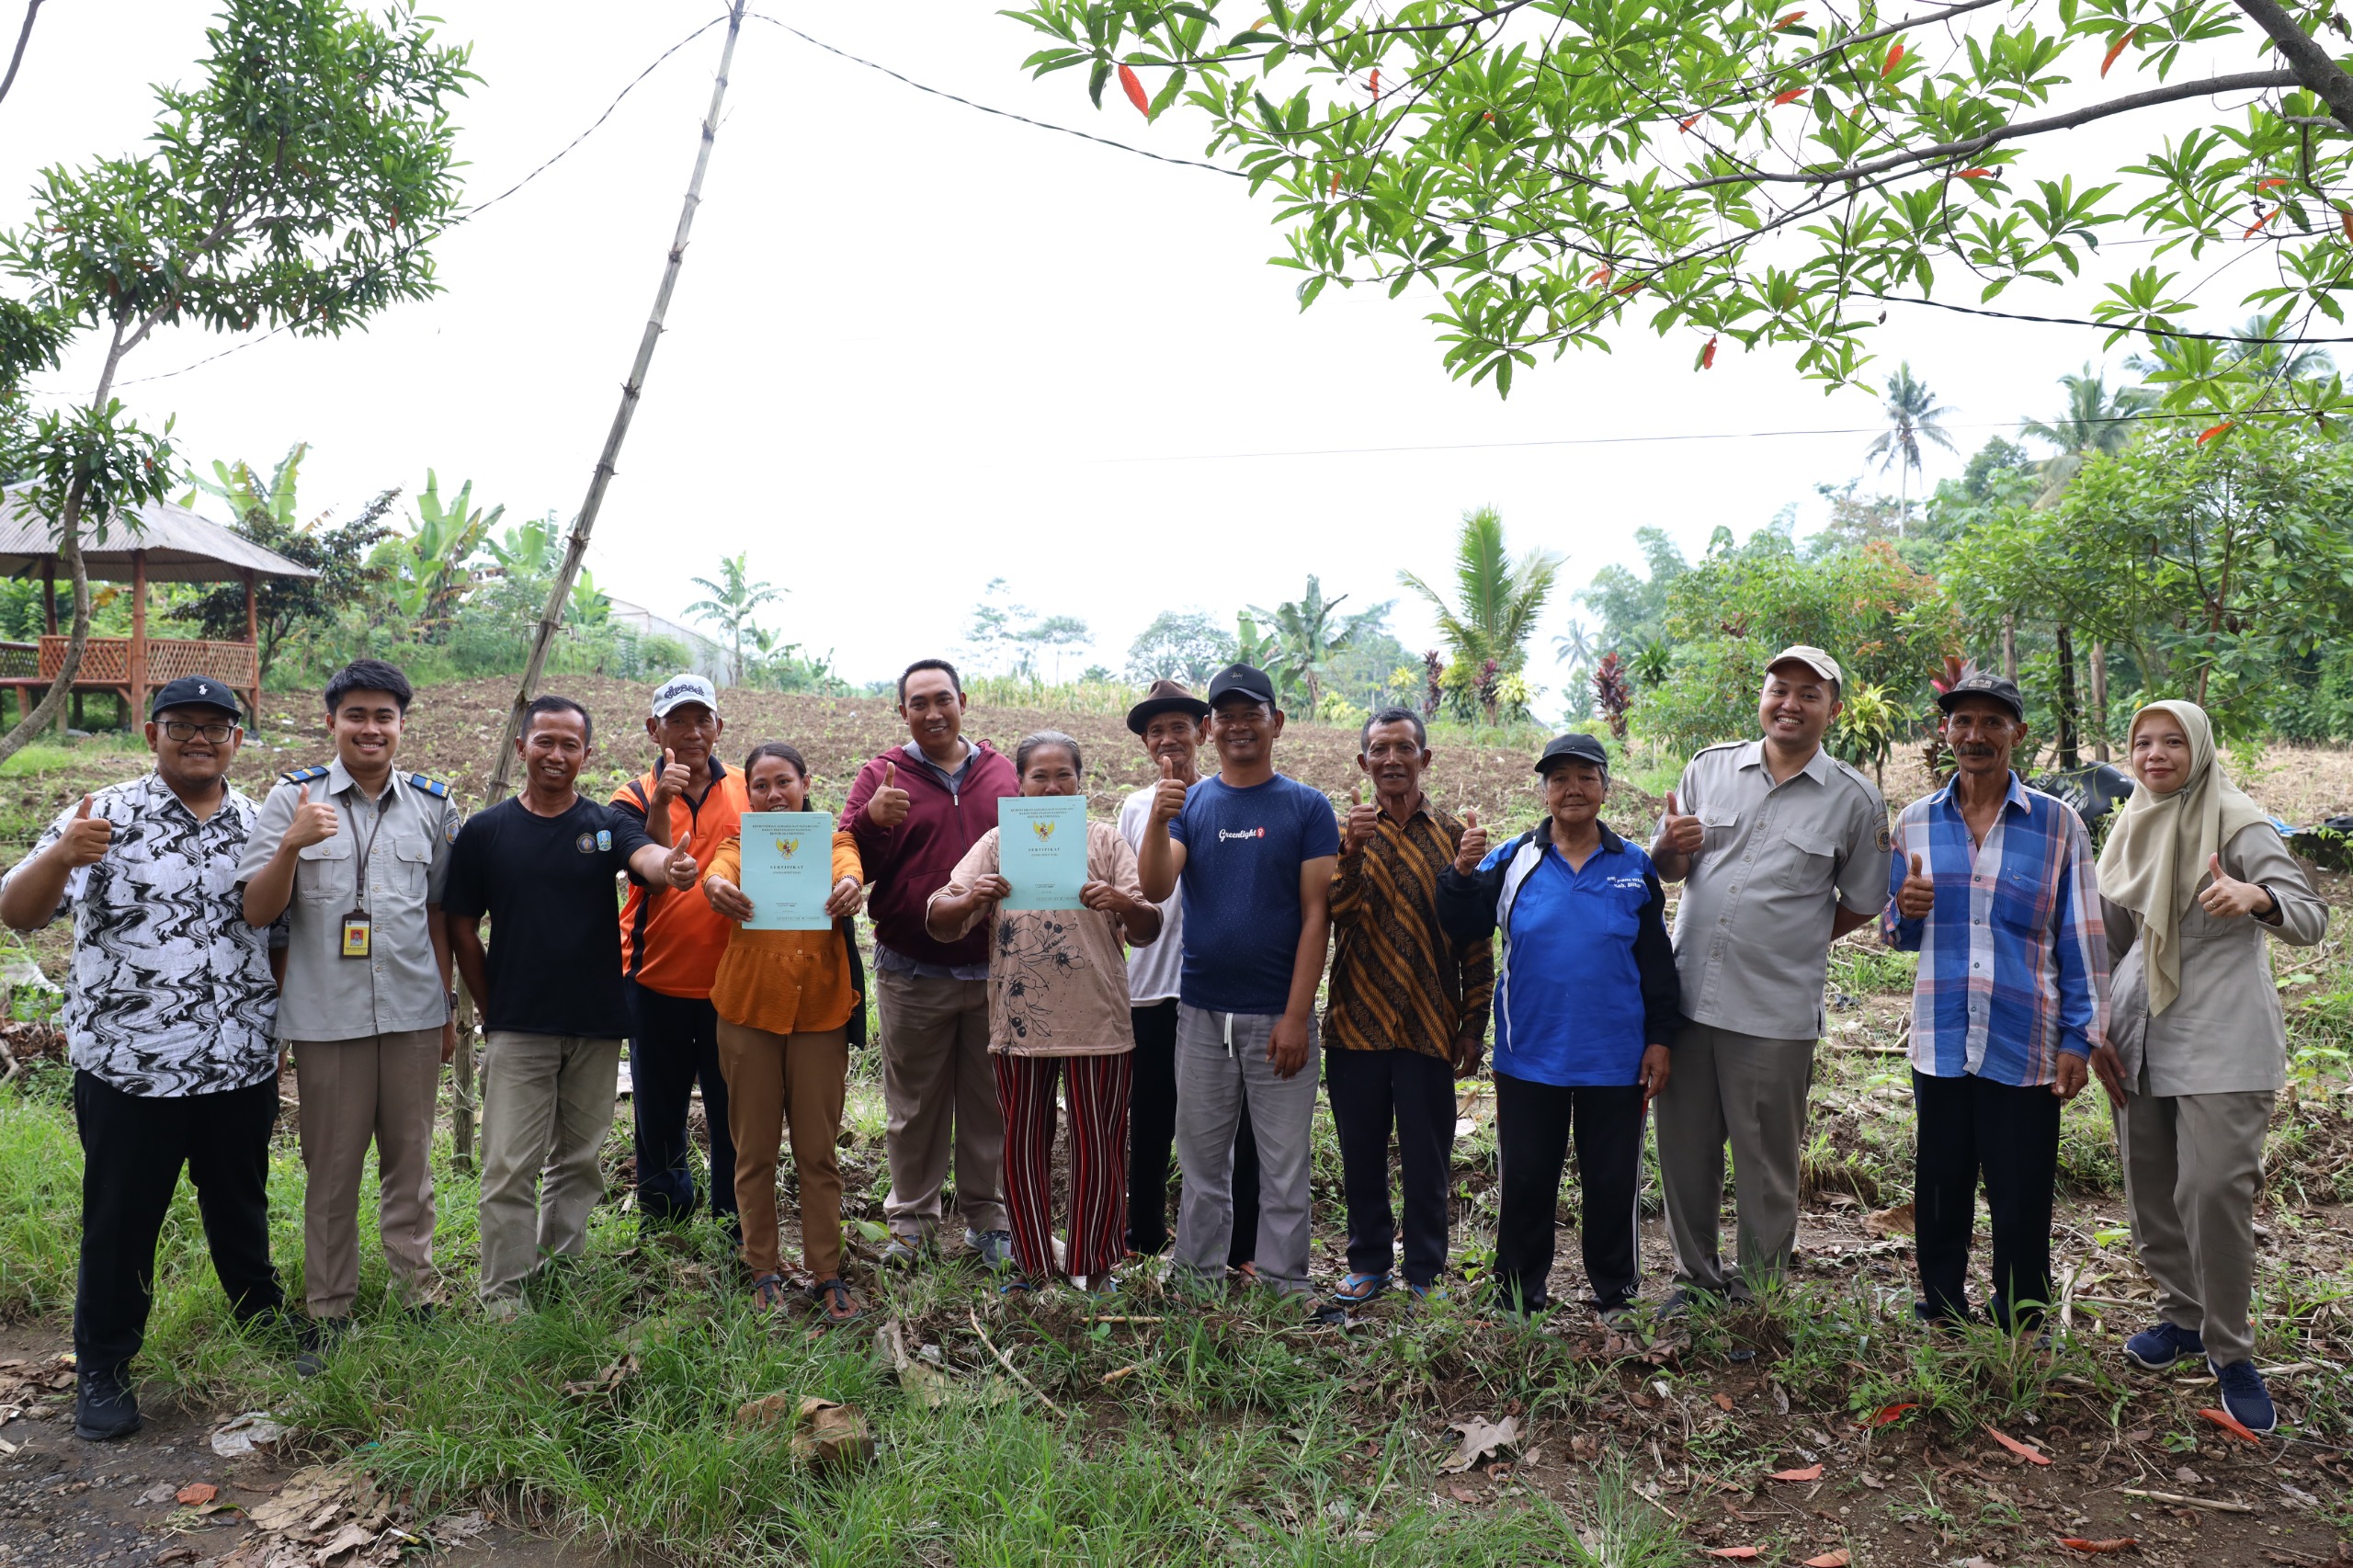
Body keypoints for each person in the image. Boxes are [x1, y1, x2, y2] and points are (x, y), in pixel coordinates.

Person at [0, 678, 286, 1440]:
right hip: (133, 1067)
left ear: (236, 739)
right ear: (152, 733)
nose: (200, 740)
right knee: (121, 1222)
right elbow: (17, 911)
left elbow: (279, 935)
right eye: (182, 726)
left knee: (241, 1204)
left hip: (237, 1060)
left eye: (216, 728)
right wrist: (61, 856)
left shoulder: (260, 822)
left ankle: (262, 1320)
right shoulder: (103, 814)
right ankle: (104, 1365)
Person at [2093, 700, 2328, 1432]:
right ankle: (2182, 1317)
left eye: (2172, 741)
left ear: (2199, 748)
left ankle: (2231, 1350)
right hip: (2138, 1028)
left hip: (2222, 1030)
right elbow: (2113, 941)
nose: (2155, 754)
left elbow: (2311, 916)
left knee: (2213, 1188)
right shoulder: (2130, 825)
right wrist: (2095, 1023)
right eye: (2142, 742)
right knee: (2151, 1187)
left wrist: (2258, 896)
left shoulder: (2239, 822)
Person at [236, 659, 460, 1375]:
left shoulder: (431, 805)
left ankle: (418, 1293)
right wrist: (292, 844)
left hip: (413, 1013)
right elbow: (257, 911)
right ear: (331, 721)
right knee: (331, 1170)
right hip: (327, 1018)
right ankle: (328, 1308)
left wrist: (447, 1007)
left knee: (411, 1163)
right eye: (356, 715)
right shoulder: (292, 798)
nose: (370, 728)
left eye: (383, 716)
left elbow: (439, 915)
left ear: (401, 724)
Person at [1649, 646, 1890, 1310]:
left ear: (1832, 711)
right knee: (1685, 1152)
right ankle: (1696, 1280)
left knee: (1765, 1164)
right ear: (1762, 697)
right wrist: (1668, 845)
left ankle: (1757, 1294)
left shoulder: (1855, 800)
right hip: (1688, 999)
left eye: (1809, 695)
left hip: (1773, 1011)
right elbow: (1668, 868)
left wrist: (1797, 933)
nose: (1790, 704)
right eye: (1780, 689)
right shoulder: (1709, 768)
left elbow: (1864, 900)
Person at [443, 696, 691, 1313]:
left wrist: (671, 863)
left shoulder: (603, 825)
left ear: (587, 754)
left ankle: (558, 1276)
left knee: (578, 1162)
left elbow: (647, 860)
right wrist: (492, 1005)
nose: (556, 755)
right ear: (522, 746)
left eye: (570, 745)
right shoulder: (486, 831)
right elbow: (462, 927)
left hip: (596, 1023)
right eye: (545, 742)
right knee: (509, 1165)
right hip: (518, 1024)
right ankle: (504, 1293)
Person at [1885, 667, 2106, 1335]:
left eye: (1991, 722)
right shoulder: (1914, 822)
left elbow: (2082, 938)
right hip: (1942, 1037)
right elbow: (1896, 934)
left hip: (2024, 1035)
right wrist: (1904, 910)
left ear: (2018, 733)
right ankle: (1942, 1307)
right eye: (1963, 721)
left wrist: (2080, 1037)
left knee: (2022, 1190)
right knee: (1941, 1184)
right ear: (1945, 731)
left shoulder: (2058, 825)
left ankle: (2022, 1318)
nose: (1975, 735)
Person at [1437, 733, 1677, 1320]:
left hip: (1616, 1058)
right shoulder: (1513, 859)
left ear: (1604, 789)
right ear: (1544, 791)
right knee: (1527, 1179)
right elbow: (1464, 924)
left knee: (1612, 1181)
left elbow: (1656, 963)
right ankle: (1518, 1296)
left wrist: (1660, 1039)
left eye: (1585, 777)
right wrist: (1461, 873)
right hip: (1530, 1054)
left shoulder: (1634, 866)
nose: (1573, 788)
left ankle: (1615, 1293)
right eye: (1559, 778)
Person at [927, 730, 1160, 1294]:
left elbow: (1148, 925)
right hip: (1021, 1022)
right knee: (1023, 1145)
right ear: (1020, 783)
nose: (1052, 786)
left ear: (1080, 781)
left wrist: (1121, 902)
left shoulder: (1103, 841)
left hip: (1097, 1021)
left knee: (1099, 1147)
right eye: (1040, 776)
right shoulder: (998, 843)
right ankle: (1031, 1267)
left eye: (1063, 775)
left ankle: (1094, 1265)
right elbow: (939, 917)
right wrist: (974, 897)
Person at [1135, 663, 1338, 1301]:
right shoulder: (1193, 804)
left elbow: (1317, 915)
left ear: (1277, 724)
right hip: (1200, 1015)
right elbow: (1155, 886)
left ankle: (1284, 1283)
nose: (1239, 726)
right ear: (1210, 728)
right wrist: (1157, 820)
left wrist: (1296, 1016)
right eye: (1226, 716)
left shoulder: (1307, 807)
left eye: (1253, 714)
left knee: (1283, 1163)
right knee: (1201, 1161)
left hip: (1280, 1015)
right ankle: (1196, 1278)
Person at [841, 659, 1020, 1269]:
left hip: (995, 968)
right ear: (903, 712)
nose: (933, 712)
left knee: (989, 1104)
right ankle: (912, 1224)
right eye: (918, 703)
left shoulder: (1003, 773)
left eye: (943, 699)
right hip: (912, 969)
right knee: (913, 1106)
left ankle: (987, 1220)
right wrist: (872, 822)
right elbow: (848, 855)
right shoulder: (880, 776)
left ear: (962, 702)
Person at [1324, 707, 1494, 1306]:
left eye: (1403, 748)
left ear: (1426, 758)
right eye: (1379, 749)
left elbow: (1475, 939)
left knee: (1428, 1157)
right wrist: (1351, 850)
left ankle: (1425, 1271)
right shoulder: (1342, 834)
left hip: (1429, 1024)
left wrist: (1473, 1024)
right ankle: (1368, 1262)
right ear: (1363, 761)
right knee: (1361, 1153)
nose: (1391, 759)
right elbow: (1336, 914)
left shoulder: (1453, 837)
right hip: (1355, 1024)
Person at [699, 742, 870, 1323]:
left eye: (784, 782)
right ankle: (763, 1269)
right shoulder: (737, 846)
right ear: (748, 793)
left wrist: (850, 887)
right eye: (761, 785)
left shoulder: (835, 841)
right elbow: (718, 873)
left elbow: (849, 868)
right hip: (748, 1013)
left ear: (805, 783)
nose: (773, 795)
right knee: (754, 1151)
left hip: (821, 1015)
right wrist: (714, 887)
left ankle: (826, 1272)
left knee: (818, 1153)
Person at [1115, 679, 1262, 1272]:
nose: (1168, 739)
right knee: (1149, 1115)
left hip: (1217, 988)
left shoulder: (1228, 799)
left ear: (1203, 732)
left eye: (1179, 727)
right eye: (1156, 731)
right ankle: (1144, 1233)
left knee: (1237, 1123)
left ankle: (1242, 1246)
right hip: (1151, 985)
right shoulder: (1134, 808)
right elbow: (1132, 891)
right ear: (1145, 744)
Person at [608, 674, 749, 1233]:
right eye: (677, 721)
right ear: (654, 729)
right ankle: (664, 1219)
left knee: (734, 1107)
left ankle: (734, 1218)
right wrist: (664, 811)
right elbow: (642, 860)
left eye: (702, 720)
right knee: (658, 1106)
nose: (692, 732)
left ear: (719, 726)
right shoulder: (632, 796)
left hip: (734, 981)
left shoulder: (749, 787)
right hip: (655, 979)